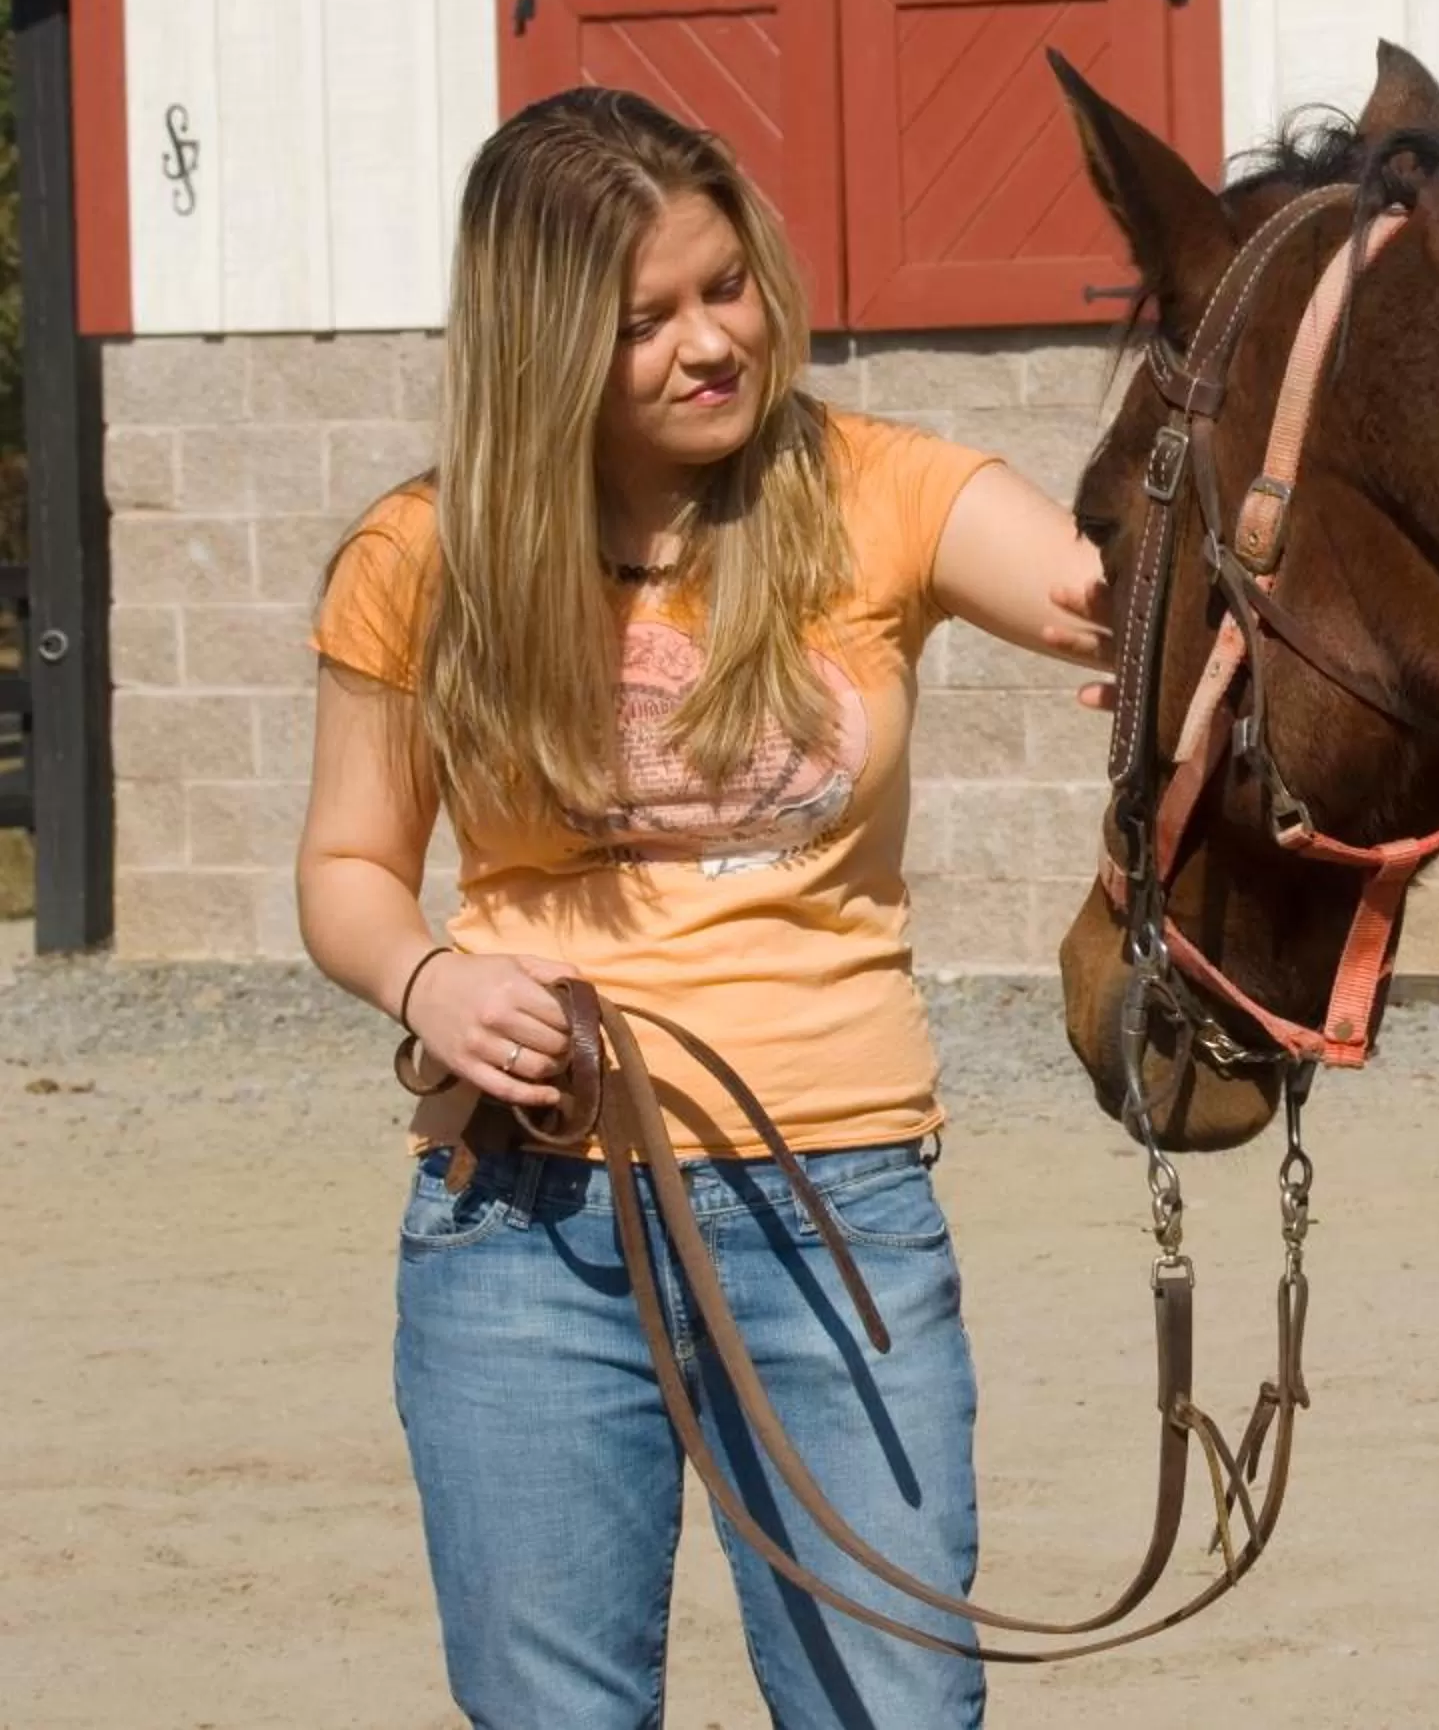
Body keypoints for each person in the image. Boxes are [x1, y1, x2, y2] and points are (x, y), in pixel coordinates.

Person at [294, 86, 1109, 1729]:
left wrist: (1162, 626)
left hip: (833, 1204)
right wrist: (426, 981)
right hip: (519, 1220)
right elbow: (347, 870)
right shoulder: (422, 554)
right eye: (645, 319)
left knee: (891, 1705)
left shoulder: (881, 488)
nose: (711, 342)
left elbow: (1108, 595)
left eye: (725, 286)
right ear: (542, 344)